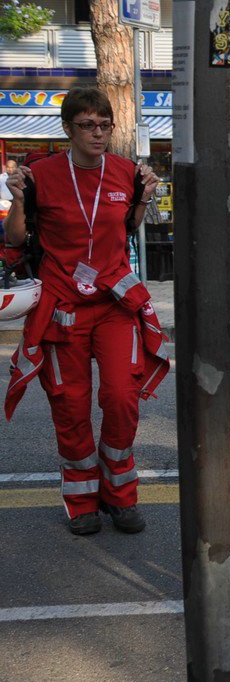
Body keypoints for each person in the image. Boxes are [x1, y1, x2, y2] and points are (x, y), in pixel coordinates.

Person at [3, 88, 165, 535]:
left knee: (120, 396)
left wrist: (145, 197)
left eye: (105, 125)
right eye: (87, 125)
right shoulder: (40, 174)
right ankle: (81, 501)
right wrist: (17, 199)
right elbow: (16, 240)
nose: (98, 133)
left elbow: (129, 228)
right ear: (67, 129)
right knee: (70, 404)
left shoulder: (127, 172)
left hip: (114, 302)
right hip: (61, 304)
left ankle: (120, 494)